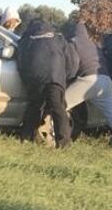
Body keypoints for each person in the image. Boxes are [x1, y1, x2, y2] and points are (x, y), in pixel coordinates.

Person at [63, 22, 112, 146]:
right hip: (105, 81)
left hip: (87, 80)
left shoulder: (72, 43)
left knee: (59, 105)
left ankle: (58, 138)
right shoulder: (94, 46)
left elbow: (71, 65)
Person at [17, 19, 79, 148]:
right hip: (55, 76)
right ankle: (64, 144)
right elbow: (71, 60)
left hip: (35, 76)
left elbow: (21, 60)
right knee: (58, 109)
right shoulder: (58, 37)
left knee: (34, 106)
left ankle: (26, 138)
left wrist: (26, 78)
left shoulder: (27, 38)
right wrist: (65, 77)